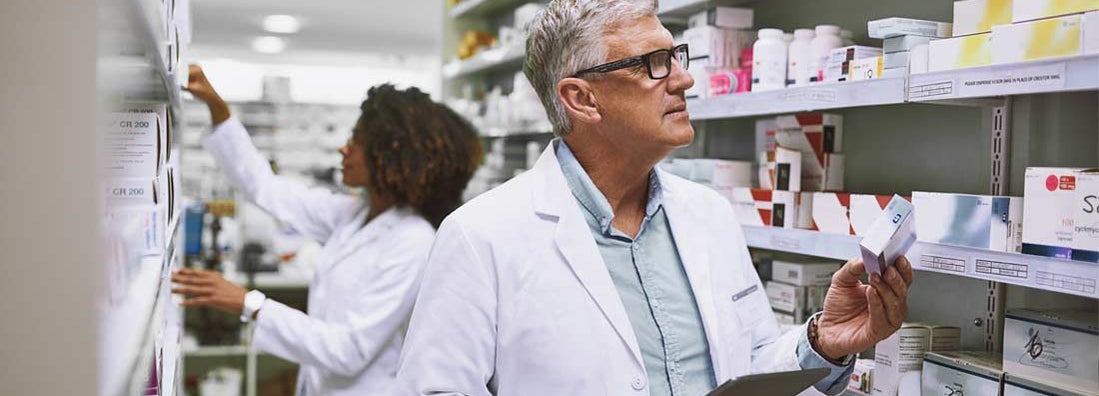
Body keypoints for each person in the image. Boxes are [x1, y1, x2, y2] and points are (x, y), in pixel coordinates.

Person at [396, 1, 914, 395]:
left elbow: (747, 362)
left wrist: (822, 342)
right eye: (654, 63)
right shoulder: (480, 236)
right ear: (581, 98)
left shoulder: (707, 213)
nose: (685, 78)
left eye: (677, 56)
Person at [173, 65, 483, 395]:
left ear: (391, 159)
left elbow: (348, 350)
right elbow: (267, 189)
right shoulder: (354, 213)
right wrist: (219, 110)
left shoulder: (413, 242)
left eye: (357, 141)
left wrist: (248, 304)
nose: (344, 149)